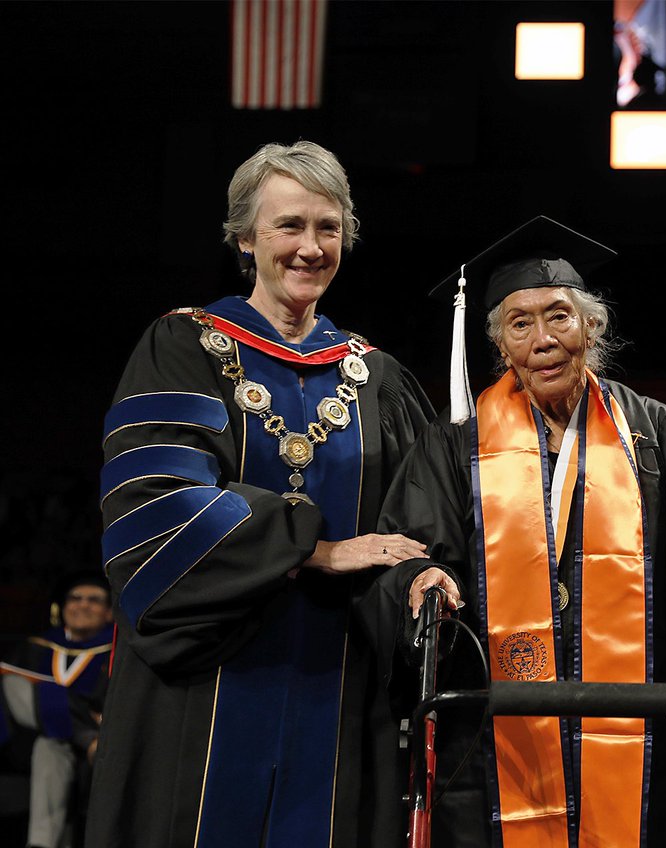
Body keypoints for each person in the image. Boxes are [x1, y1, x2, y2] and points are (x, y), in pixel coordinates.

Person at [357, 215, 666, 847]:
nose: (543, 339)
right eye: (520, 323)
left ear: (592, 326)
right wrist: (422, 580)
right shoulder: (450, 449)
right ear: (500, 346)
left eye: (559, 316)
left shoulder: (663, 437)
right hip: (487, 751)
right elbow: (407, 551)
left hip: (633, 741)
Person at [88, 141, 435, 848]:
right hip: (207, 675)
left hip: (340, 677)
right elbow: (156, 505)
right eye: (289, 226)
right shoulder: (182, 347)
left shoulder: (381, 380)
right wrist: (318, 550)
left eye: (328, 227)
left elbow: (420, 517)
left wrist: (423, 569)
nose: (311, 247)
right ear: (245, 238)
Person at [1, 572, 113, 848]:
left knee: (49, 745)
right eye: (75, 598)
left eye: (94, 600)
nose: (83, 605)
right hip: (37, 742)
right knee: (14, 683)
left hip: (82, 749)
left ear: (110, 612)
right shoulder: (35, 647)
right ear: (61, 608)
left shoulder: (118, 654)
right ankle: (85, 737)